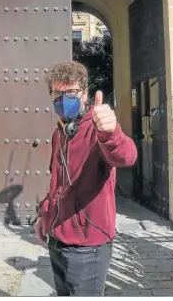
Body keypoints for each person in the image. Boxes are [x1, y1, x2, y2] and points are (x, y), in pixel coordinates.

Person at [34, 60, 137, 296]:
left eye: (70, 92)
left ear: (85, 94)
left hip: (88, 248)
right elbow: (58, 184)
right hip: (57, 240)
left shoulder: (98, 128)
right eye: (57, 93)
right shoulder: (60, 131)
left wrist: (111, 133)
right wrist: (44, 214)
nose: (63, 99)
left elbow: (126, 157)